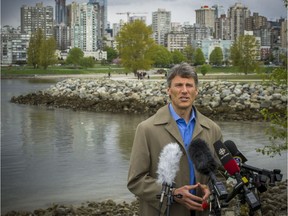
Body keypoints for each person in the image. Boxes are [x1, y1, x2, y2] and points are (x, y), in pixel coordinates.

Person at [127, 62, 223, 216]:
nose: (184, 91)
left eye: (189, 85)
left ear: (196, 91)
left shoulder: (213, 129)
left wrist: (211, 189)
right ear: (168, 90)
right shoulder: (146, 129)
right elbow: (136, 181)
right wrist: (174, 194)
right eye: (178, 85)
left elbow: (219, 174)